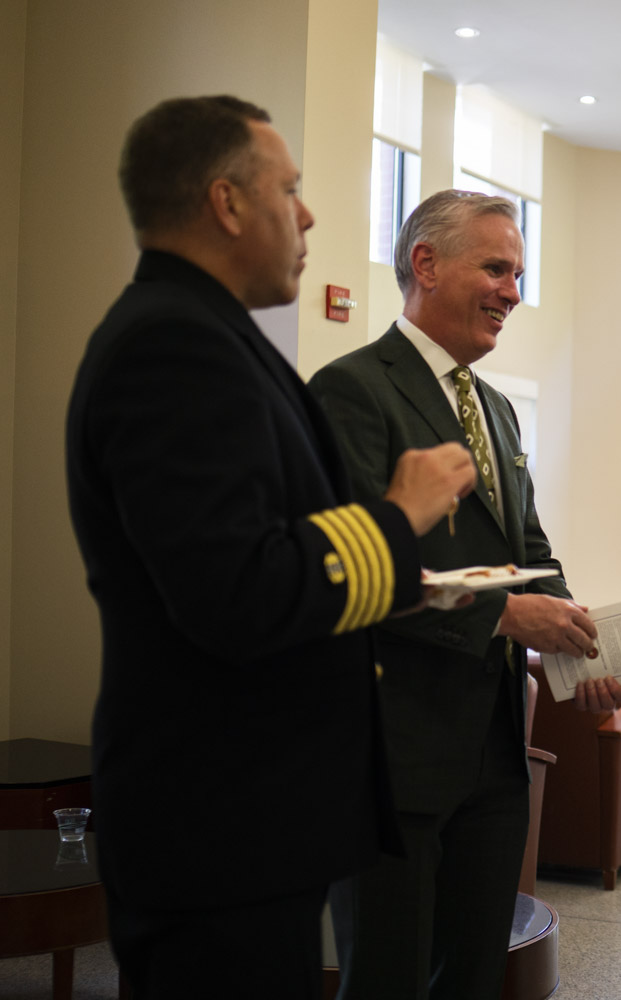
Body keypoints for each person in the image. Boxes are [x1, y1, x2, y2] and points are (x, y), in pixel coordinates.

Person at [65, 95, 476, 999]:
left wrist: (411, 583)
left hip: (252, 819)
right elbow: (237, 592)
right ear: (227, 203)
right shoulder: (172, 346)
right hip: (221, 820)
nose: (310, 213)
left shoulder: (211, 337)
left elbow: (282, 547)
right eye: (288, 188)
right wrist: (398, 516)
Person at [307, 189, 610, 1000]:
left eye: (518, 272)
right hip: (391, 756)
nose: (513, 290)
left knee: (476, 973)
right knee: (388, 977)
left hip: (493, 757)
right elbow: (355, 571)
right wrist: (507, 616)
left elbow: (529, 552)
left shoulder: (499, 411)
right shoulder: (351, 391)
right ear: (426, 263)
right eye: (497, 267)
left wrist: (579, 640)